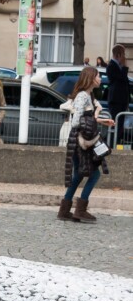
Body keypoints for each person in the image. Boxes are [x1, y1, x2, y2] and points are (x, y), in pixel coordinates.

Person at [57, 66, 114, 223]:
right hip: (81, 142)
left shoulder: (88, 95)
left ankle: (65, 210)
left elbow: (85, 117)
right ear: (90, 78)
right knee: (93, 174)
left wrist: (102, 121)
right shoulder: (83, 96)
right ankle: (80, 210)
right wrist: (88, 134)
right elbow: (76, 121)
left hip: (81, 141)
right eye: (97, 76)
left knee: (80, 173)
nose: (100, 79)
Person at [106, 44, 130, 144]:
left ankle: (116, 143)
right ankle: (111, 144)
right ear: (118, 55)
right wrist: (124, 66)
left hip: (121, 101)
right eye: (123, 54)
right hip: (116, 100)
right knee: (115, 124)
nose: (125, 56)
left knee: (120, 125)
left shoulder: (118, 66)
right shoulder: (111, 66)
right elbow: (121, 79)